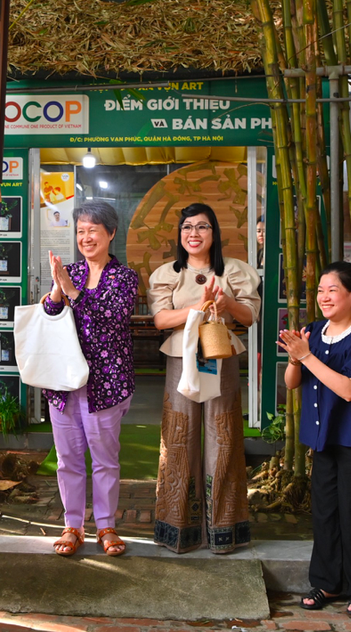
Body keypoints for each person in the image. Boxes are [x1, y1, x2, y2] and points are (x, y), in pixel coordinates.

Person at [148, 202, 261, 554]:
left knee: (223, 437)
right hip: (181, 358)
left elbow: (250, 316)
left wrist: (225, 302)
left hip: (221, 356)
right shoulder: (167, 273)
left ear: (215, 233)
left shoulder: (235, 271)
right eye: (187, 227)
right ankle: (178, 528)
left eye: (202, 227)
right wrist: (197, 307)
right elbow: (161, 320)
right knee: (179, 438)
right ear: (180, 235)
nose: (193, 234)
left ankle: (224, 530)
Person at [280, 262, 351, 615]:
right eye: (320, 290)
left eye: (332, 290)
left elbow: (348, 390)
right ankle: (327, 582)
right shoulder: (313, 329)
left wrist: (306, 356)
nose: (323, 297)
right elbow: (291, 383)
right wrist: (296, 359)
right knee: (325, 512)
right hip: (323, 436)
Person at [43, 201, 137, 557]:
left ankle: (106, 526)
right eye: (80, 231)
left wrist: (72, 291)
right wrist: (58, 288)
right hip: (65, 382)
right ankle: (72, 526)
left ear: (111, 233)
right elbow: (52, 313)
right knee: (67, 458)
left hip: (106, 383)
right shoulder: (70, 272)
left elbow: (111, 319)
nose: (86, 237)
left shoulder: (124, 277)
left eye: (93, 230)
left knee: (104, 459)